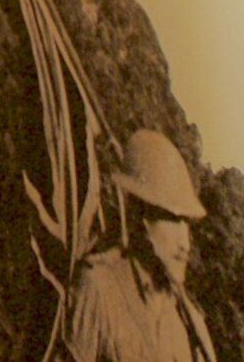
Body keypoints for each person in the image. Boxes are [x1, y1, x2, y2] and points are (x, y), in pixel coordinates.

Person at [67, 130, 216, 362]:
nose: (185, 244)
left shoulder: (186, 324)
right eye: (173, 219)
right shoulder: (98, 289)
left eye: (186, 223)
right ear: (141, 216)